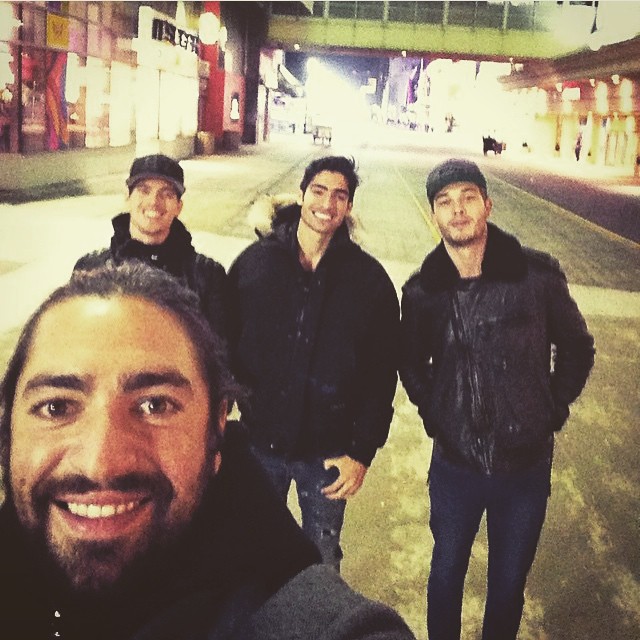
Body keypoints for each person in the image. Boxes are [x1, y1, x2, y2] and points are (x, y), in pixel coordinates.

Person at [0, 262, 416, 640]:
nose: (100, 463)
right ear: (8, 425)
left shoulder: (317, 626)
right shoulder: (257, 265)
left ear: (216, 428)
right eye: (56, 408)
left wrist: (361, 447)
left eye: (155, 405)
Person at [399, 158, 595, 640]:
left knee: (507, 587)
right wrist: (437, 416)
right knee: (446, 576)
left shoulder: (536, 277)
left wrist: (550, 409)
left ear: (487, 204)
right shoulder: (423, 291)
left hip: (524, 468)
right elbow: (410, 362)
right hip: (455, 466)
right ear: (434, 215)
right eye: (444, 202)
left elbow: (577, 347)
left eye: (468, 197)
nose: (457, 210)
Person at [227, 156, 400, 571]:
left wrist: (361, 452)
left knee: (321, 560)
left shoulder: (369, 281)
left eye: (340, 195)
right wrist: (218, 419)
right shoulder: (255, 264)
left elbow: (381, 375)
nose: (327, 203)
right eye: (319, 191)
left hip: (327, 456)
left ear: (349, 206)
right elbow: (223, 346)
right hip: (259, 444)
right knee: (251, 554)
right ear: (302, 195)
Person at [74, 153, 227, 341]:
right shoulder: (90, 269)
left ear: (179, 206)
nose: (154, 202)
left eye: (166, 194)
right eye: (144, 191)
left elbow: (219, 351)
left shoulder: (208, 277)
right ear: (128, 197)